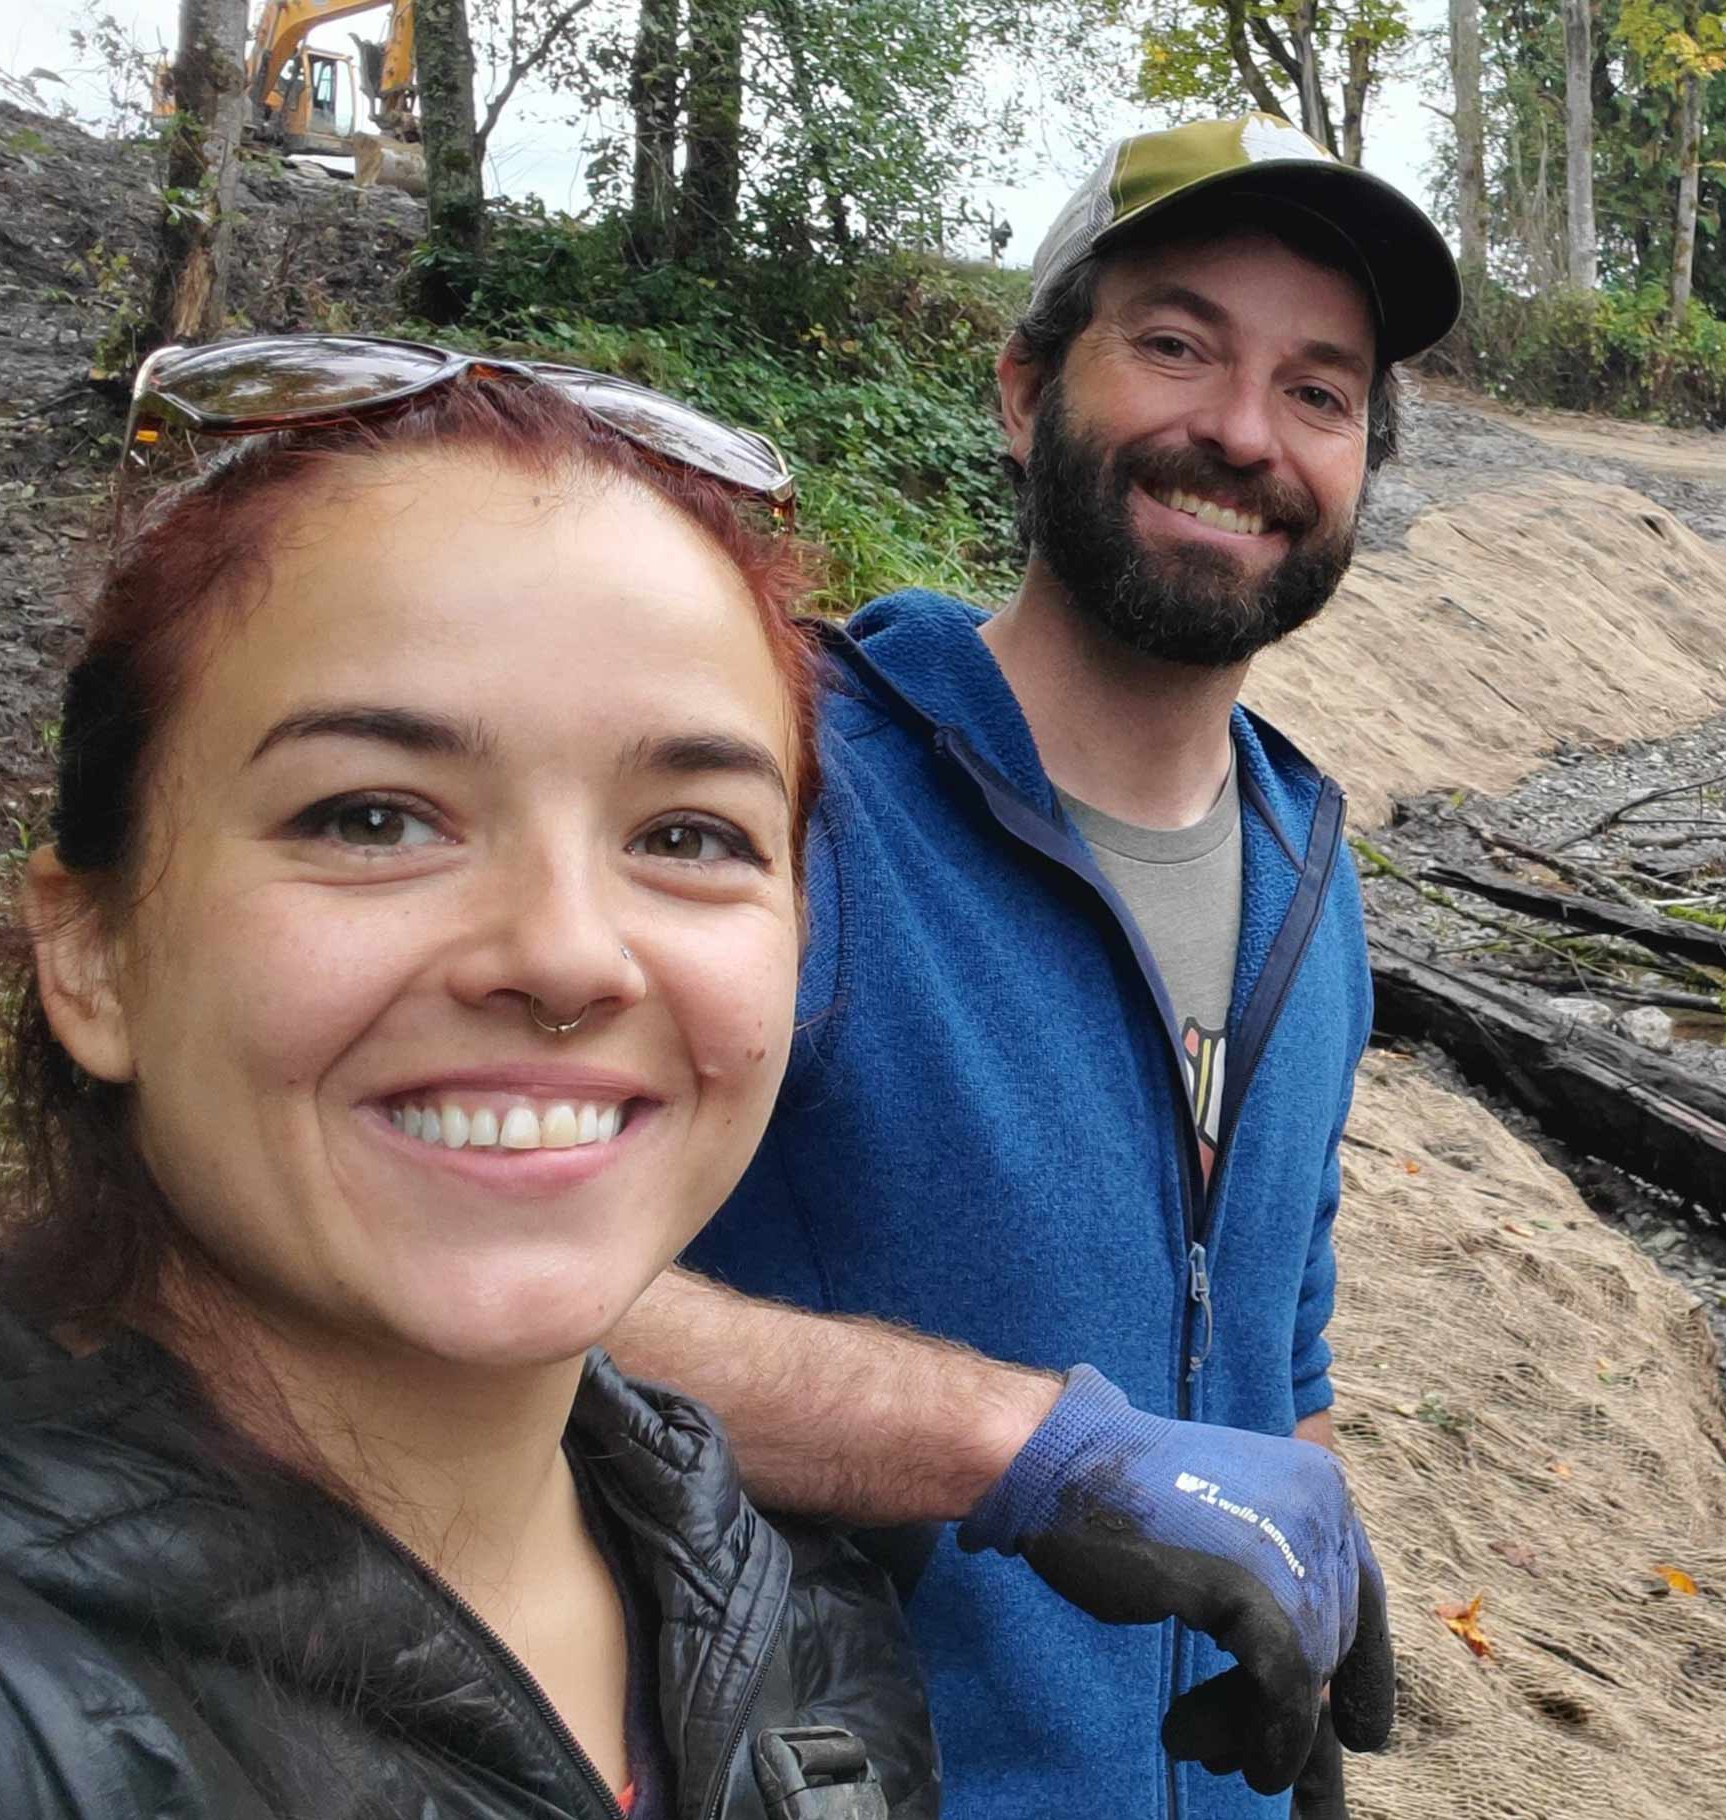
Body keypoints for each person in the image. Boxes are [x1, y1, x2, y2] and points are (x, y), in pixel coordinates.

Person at [0, 338, 937, 1819]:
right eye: (373, 817)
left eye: (685, 834)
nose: (565, 954)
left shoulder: (792, 1626)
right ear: (92, 955)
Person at [605, 114, 1462, 1819]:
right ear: (1021, 392)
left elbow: (1276, 1362)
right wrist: (1035, 1460)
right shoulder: (783, 804)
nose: (1241, 432)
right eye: (1174, 345)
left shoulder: (1312, 874)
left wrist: (1303, 1551)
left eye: (1317, 389)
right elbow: (504, 1303)